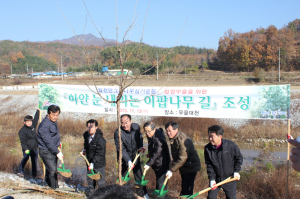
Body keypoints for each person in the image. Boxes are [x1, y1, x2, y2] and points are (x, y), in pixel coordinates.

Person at [114, 114, 149, 199]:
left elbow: (140, 137)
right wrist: (128, 160)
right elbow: (120, 148)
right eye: (122, 123)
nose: (125, 125)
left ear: (131, 121)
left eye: (126, 122)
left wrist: (140, 147)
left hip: (136, 156)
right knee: (124, 177)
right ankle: (125, 196)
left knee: (139, 176)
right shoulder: (118, 132)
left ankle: (143, 194)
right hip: (123, 158)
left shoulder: (136, 127)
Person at [204, 125, 243, 199]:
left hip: (229, 178)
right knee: (211, 197)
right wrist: (212, 179)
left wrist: (236, 171)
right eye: (209, 136)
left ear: (220, 136)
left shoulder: (231, 146)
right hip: (216, 179)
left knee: (231, 197)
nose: (210, 139)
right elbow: (209, 165)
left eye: (212, 136)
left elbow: (239, 158)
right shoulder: (207, 148)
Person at [165, 121, 201, 196]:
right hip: (184, 166)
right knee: (184, 186)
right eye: (167, 131)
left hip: (191, 166)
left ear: (176, 130)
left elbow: (182, 158)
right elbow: (179, 154)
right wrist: (174, 161)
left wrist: (172, 170)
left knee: (187, 188)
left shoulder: (182, 139)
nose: (168, 133)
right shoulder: (174, 138)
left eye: (170, 131)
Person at [143, 121, 171, 199]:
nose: (147, 133)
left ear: (154, 129)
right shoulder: (152, 135)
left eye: (148, 131)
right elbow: (154, 150)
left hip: (162, 165)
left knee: (161, 187)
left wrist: (148, 163)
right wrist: (150, 154)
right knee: (159, 184)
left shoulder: (159, 139)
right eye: (145, 131)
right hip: (157, 164)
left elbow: (156, 153)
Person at [37, 105, 63, 189]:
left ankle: (47, 184)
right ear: (48, 114)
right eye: (53, 115)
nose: (55, 117)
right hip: (46, 151)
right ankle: (54, 188)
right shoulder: (44, 125)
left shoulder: (53, 121)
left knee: (50, 169)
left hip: (53, 149)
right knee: (53, 170)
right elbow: (48, 142)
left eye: (57, 115)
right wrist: (57, 152)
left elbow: (54, 135)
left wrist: (58, 142)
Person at [81, 119, 106, 197]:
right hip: (89, 162)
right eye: (88, 127)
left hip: (99, 164)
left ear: (96, 127)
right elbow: (86, 143)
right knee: (90, 181)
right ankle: (92, 196)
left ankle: (102, 196)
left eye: (92, 127)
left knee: (100, 182)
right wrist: (84, 149)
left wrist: (93, 162)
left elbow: (100, 153)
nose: (90, 129)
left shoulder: (101, 140)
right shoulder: (86, 135)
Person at [18, 109, 40, 178]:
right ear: (25, 122)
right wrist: (25, 149)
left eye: (30, 121)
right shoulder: (22, 131)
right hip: (27, 148)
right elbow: (23, 141)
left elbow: (36, 118)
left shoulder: (33, 126)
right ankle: (20, 171)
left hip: (34, 148)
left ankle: (34, 174)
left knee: (34, 161)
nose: (29, 123)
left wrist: (38, 111)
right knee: (25, 158)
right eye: (28, 121)